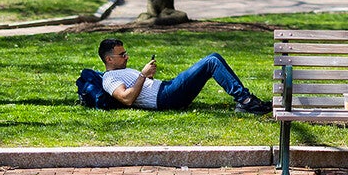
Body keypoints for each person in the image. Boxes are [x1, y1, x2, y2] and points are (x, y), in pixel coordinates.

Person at [97, 38, 271, 114]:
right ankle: (247, 101)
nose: (126, 56)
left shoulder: (120, 71)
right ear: (109, 59)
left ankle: (245, 100)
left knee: (213, 60)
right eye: (122, 55)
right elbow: (126, 99)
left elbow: (140, 90)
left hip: (167, 89)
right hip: (166, 97)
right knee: (212, 61)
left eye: (126, 53)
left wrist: (147, 77)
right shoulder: (109, 79)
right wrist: (142, 75)